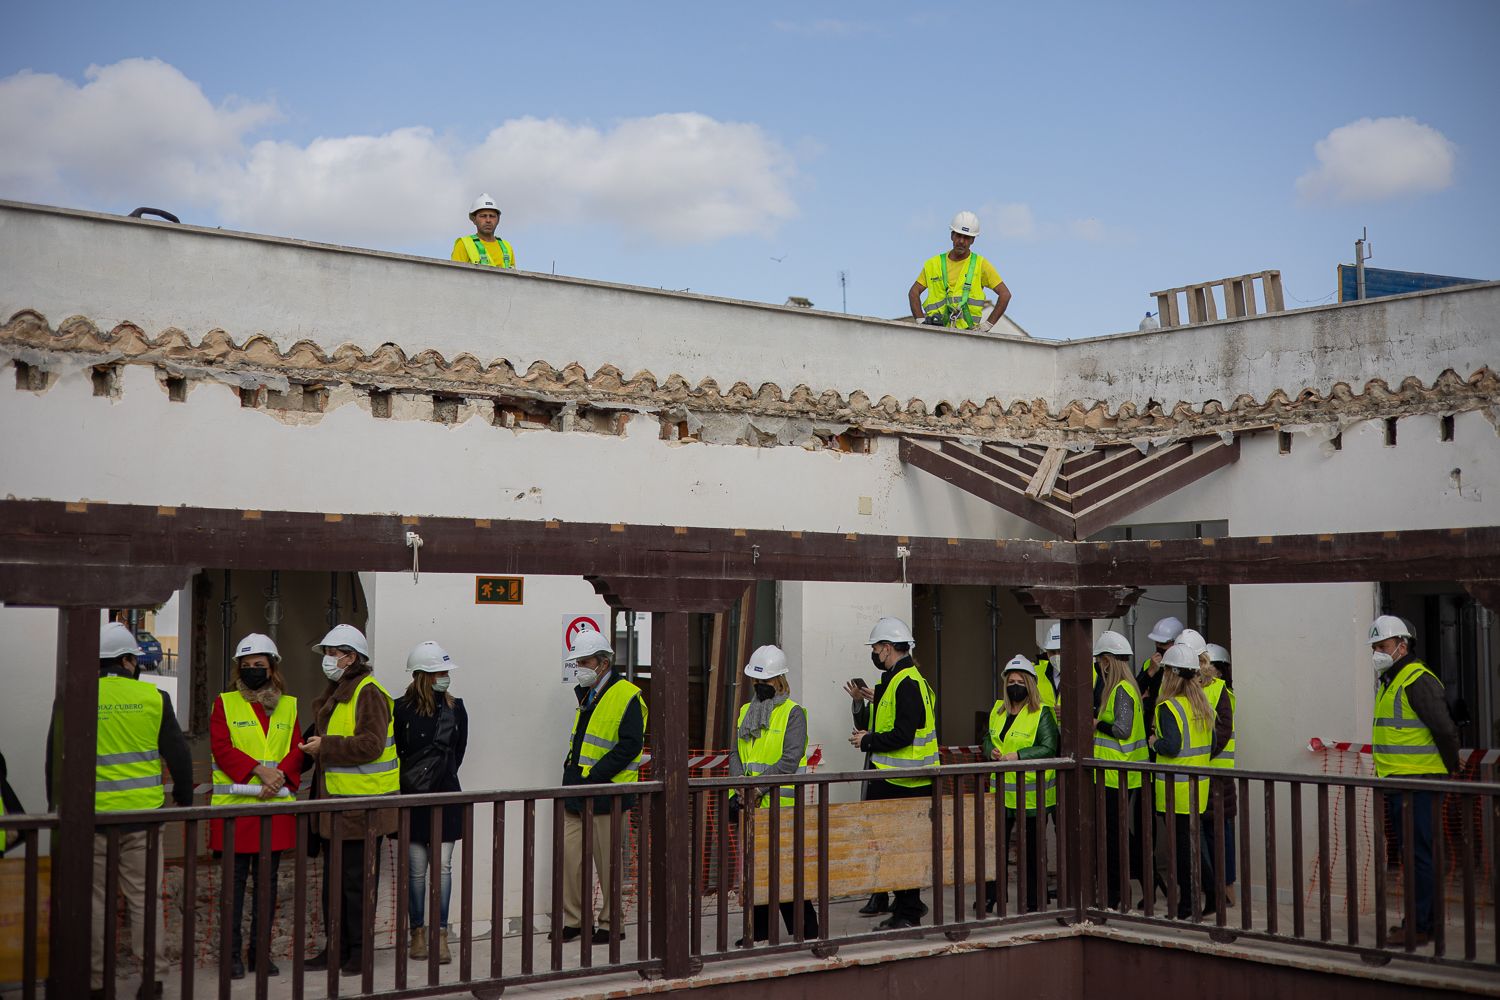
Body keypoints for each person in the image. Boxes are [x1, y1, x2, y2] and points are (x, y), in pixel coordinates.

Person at [45, 622, 193, 1000]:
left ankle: (96, 982)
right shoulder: (154, 697)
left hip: (90, 820)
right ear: (128, 660)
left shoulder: (74, 696)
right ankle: (151, 979)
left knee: (94, 903)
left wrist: (54, 808)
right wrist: (184, 798)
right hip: (143, 821)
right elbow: (178, 754)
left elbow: (55, 757)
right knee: (145, 900)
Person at [300, 624, 400, 975]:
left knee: (357, 886)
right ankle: (337, 949)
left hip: (362, 809)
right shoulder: (341, 690)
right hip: (338, 807)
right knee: (335, 885)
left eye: (333, 653)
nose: (327, 660)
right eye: (327, 653)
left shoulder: (368, 692)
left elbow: (371, 745)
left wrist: (325, 746)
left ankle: (360, 951)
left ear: (351, 657)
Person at [209, 633, 304, 980]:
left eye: (258, 665)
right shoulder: (224, 703)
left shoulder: (289, 705)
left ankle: (259, 955)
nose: (252, 670)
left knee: (267, 885)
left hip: (272, 808)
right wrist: (260, 772)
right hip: (235, 808)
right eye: (246, 665)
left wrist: (278, 779)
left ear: (272, 667)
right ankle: (231, 955)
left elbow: (296, 749)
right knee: (233, 886)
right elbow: (222, 747)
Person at [1369, 615, 1460, 947]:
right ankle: (1421, 922)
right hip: (1402, 782)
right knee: (1416, 855)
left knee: (1419, 856)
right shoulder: (1392, 680)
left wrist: (1452, 769)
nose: (1377, 653)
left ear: (1402, 646)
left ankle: (1420, 926)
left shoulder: (1415, 679)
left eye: (1383, 646)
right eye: (1375, 648)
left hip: (1418, 783)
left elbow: (1445, 729)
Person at [558, 628, 646, 945]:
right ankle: (575, 921)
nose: (579, 668)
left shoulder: (627, 695)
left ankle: (611, 924)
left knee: (608, 865)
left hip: (607, 795)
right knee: (571, 861)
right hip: (576, 792)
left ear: (603, 663)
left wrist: (594, 775)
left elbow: (630, 745)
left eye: (584, 662)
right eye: (578, 662)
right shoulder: (587, 694)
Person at [848, 617, 937, 930]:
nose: (874, 653)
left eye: (876, 648)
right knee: (894, 847)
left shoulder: (906, 683)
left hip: (902, 782)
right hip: (898, 780)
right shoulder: (899, 681)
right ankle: (906, 904)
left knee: (899, 848)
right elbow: (886, 724)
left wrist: (867, 741)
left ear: (887, 648)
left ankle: (908, 912)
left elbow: (903, 735)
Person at [728, 645, 820, 945]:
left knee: (786, 871)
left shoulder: (793, 713)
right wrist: (738, 787)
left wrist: (757, 789)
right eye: (756, 681)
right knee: (756, 872)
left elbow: (790, 760)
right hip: (751, 804)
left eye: (765, 681)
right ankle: (759, 933)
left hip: (781, 805)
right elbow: (736, 754)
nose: (759, 686)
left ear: (779, 680)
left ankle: (806, 931)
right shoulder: (746, 711)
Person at [395, 641, 469, 964]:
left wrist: (439, 774)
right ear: (423, 675)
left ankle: (440, 935)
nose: (445, 677)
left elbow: (458, 752)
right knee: (415, 871)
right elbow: (397, 750)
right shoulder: (400, 709)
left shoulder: (456, 708)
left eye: (446, 672)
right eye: (439, 672)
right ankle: (417, 933)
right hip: (413, 797)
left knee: (443, 868)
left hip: (446, 795)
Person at [986, 655, 1060, 913]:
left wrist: (1018, 755)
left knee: (1031, 852)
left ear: (1029, 684)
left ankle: (1033, 900)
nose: (1014, 686)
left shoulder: (1042, 713)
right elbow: (988, 738)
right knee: (995, 849)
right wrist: (991, 750)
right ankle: (993, 897)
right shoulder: (998, 710)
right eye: (1010, 682)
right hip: (1000, 793)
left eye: (1019, 682)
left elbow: (1049, 747)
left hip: (1031, 795)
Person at [1147, 644, 1216, 919]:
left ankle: (1188, 905)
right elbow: (1209, 745)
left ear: (1170, 675)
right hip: (1199, 786)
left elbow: (1172, 746)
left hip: (1176, 790)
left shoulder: (1168, 707)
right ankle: (1212, 896)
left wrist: (1154, 742)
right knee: (1193, 847)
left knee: (1183, 852)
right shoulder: (1201, 704)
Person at [1092, 631, 1146, 910]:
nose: (1098, 667)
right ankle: (1121, 891)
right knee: (1116, 835)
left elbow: (1122, 730)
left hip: (1117, 774)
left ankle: (1117, 894)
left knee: (1115, 837)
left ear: (1107, 661)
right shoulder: (1123, 688)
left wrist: (1096, 724)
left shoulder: (1122, 689)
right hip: (1116, 773)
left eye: (1100, 661)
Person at [908, 211, 1011, 332]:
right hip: (936, 332)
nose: (961, 241)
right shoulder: (933, 264)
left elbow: (1005, 294)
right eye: (958, 235)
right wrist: (921, 322)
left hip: (967, 334)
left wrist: (987, 325)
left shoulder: (981, 264)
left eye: (966, 237)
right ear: (952, 235)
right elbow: (913, 292)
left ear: (973, 240)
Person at [1200, 643, 1236, 906]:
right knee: (1207, 832)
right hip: (1204, 773)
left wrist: (1200, 753)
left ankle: (1225, 887)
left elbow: (1221, 733)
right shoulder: (1197, 690)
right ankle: (1212, 886)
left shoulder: (1219, 691)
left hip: (1217, 775)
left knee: (1219, 832)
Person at [1137, 616, 1185, 746]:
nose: (1158, 647)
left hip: (1173, 725)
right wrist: (1150, 672)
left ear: (1177, 643)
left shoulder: (1186, 667)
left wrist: (1147, 699)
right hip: (1151, 726)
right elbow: (1134, 692)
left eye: (1163, 643)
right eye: (1156, 643)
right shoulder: (1150, 663)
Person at [450, 193, 516, 269]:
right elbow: (454, 273)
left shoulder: (507, 247)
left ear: (498, 220)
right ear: (474, 219)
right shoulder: (464, 244)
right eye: (483, 216)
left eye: (492, 216)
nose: (488, 220)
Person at [1034, 624, 1060, 710]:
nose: (1056, 656)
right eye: (1052, 652)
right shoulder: (1035, 673)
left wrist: (1071, 712)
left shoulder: (1089, 674)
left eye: (1060, 651)